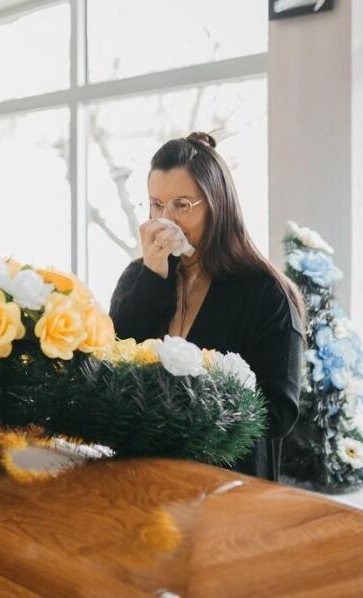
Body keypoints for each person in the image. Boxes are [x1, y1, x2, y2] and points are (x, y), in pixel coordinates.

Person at [108, 132, 304, 481]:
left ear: (217, 205)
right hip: (143, 479)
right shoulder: (138, 277)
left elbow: (279, 413)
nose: (165, 220)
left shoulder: (266, 293)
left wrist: (192, 409)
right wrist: (153, 277)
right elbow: (111, 370)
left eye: (182, 206)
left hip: (228, 487)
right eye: (156, 204)